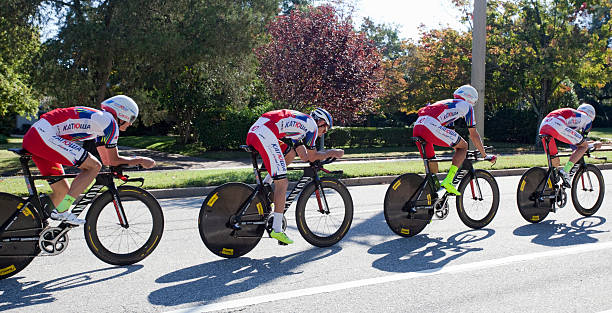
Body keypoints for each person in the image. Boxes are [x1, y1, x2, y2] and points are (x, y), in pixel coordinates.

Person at [22, 95, 156, 225]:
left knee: (62, 192)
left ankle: (32, 222)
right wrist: (141, 160)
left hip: (37, 137)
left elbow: (107, 160)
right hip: (43, 136)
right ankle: (62, 211)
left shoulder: (102, 123)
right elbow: (114, 160)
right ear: (123, 113)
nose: (131, 123)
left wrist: (130, 162)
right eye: (132, 118)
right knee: (93, 166)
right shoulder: (110, 123)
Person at [246, 108, 344, 244]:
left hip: (257, 131)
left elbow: (304, 156)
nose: (323, 134)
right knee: (282, 183)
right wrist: (332, 152)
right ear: (321, 122)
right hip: (264, 134)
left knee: (289, 153)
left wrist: (316, 156)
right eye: (325, 129)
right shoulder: (312, 126)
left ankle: (266, 184)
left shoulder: (300, 126)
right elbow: (312, 155)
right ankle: (277, 229)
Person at [412, 85, 496, 195]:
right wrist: (484, 155)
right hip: (430, 126)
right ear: (470, 99)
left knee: (433, 167)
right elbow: (473, 134)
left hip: (418, 126)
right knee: (464, 146)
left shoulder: (448, 105)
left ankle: (431, 196)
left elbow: (451, 132)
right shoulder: (467, 106)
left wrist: (458, 151)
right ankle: (449, 181)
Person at [538, 103, 601, 187]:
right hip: (557, 124)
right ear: (592, 115)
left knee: (555, 162)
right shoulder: (587, 120)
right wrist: (593, 144)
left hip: (544, 125)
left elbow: (574, 143)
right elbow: (582, 143)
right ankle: (566, 171)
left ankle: (548, 188)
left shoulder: (575, 118)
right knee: (584, 146)